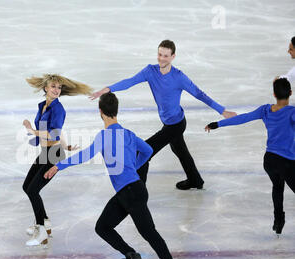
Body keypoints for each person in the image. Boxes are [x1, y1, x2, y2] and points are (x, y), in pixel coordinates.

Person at [44, 92, 185, 259]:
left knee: (148, 232)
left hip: (131, 192)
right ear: (115, 111)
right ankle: (133, 258)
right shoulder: (128, 134)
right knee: (103, 226)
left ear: (100, 112)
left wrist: (59, 166)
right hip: (130, 191)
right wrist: (135, 167)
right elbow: (147, 151)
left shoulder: (104, 136)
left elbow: (86, 155)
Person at [90, 40, 237, 190]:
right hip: (168, 122)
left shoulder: (179, 77)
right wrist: (107, 89)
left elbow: (200, 94)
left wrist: (222, 111)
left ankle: (137, 192)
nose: (161, 58)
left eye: (166, 56)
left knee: (143, 152)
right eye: (160, 54)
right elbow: (130, 81)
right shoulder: (150, 71)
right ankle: (195, 180)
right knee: (180, 150)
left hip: (176, 124)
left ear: (173, 56)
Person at [205, 78, 295, 236]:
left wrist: (217, 124)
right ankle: (278, 221)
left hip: (270, 160)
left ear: (274, 94)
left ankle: (278, 221)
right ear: (291, 93)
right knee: (280, 186)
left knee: (277, 186)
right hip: (287, 162)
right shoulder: (292, 112)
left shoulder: (265, 110)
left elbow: (243, 118)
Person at [22, 74, 92, 246]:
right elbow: (57, 132)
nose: (56, 90)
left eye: (59, 87)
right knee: (27, 187)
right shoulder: (43, 106)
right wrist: (66, 145)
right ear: (46, 88)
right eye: (53, 86)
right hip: (46, 152)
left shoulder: (59, 109)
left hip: (54, 155)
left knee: (32, 190)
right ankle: (45, 222)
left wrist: (32, 131)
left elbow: (53, 132)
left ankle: (41, 232)